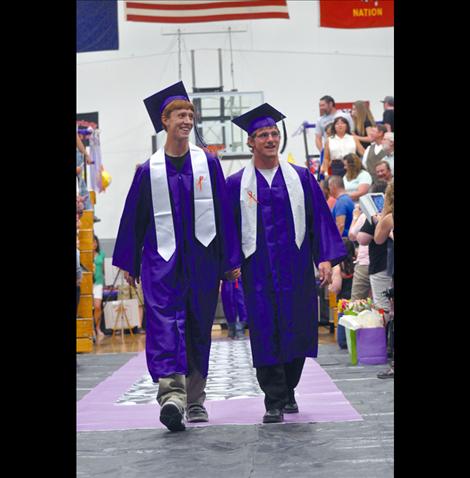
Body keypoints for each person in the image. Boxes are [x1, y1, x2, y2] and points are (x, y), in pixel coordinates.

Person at [112, 81, 241, 432]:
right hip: (160, 263)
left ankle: (195, 400)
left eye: (190, 115)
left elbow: (223, 212)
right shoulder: (147, 170)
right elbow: (133, 219)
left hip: (201, 261)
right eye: (180, 115)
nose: (187, 120)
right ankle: (172, 396)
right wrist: (129, 263)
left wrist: (230, 260)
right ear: (164, 121)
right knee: (164, 326)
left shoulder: (209, 164)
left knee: (199, 326)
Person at [226, 103, 346, 424]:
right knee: (265, 331)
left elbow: (320, 219)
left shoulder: (302, 178)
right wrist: (231, 261)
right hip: (258, 271)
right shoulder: (236, 183)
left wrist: (324, 259)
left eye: (274, 133)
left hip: (295, 268)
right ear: (250, 142)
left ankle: (289, 388)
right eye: (263, 134)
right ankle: (274, 399)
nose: (270, 139)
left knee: (298, 328)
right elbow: (228, 227)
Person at [356, 180, 392, 319]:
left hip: (381, 266)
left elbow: (364, 238)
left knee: (383, 308)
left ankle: (384, 339)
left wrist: (380, 223)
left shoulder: (385, 216)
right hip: (385, 265)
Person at [348, 203, 371, 301]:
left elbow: (352, 235)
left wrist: (355, 216)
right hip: (384, 265)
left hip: (364, 263)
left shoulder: (365, 215)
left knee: (357, 303)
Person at [93, 235, 106, 340]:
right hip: (88, 283)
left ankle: (98, 328)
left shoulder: (101, 254)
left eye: (95, 242)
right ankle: (91, 330)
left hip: (98, 282)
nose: (94, 244)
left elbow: (103, 270)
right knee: (88, 308)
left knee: (98, 307)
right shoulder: (85, 254)